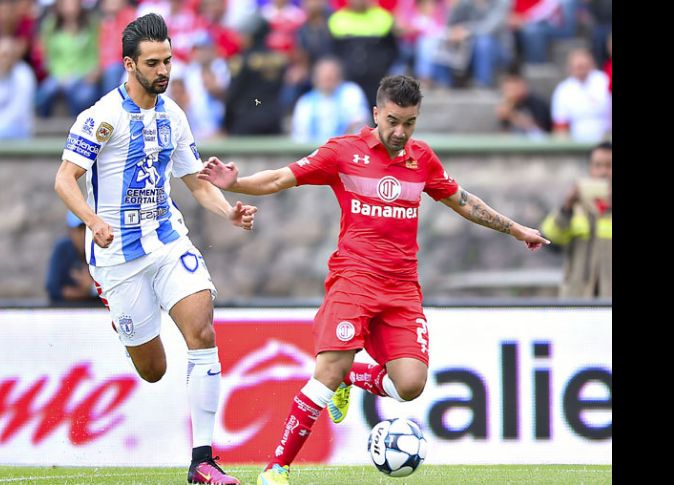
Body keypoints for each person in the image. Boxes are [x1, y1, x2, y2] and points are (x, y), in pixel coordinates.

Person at [197, 75, 550, 484]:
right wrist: (236, 183)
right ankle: (277, 469)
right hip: (355, 280)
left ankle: (353, 375)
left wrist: (517, 229)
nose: (401, 132)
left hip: (402, 290)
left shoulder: (423, 159)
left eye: (410, 123)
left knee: (410, 386)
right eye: (394, 121)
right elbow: (280, 177)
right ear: (376, 113)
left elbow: (464, 201)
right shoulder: (343, 152)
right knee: (327, 370)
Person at [53, 13, 255, 485]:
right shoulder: (103, 116)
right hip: (117, 257)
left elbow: (196, 183)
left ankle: (203, 460)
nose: (164, 70)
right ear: (128, 64)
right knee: (153, 369)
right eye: (153, 63)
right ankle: (120, 312)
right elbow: (64, 179)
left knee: (202, 330)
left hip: (166, 241)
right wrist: (92, 219)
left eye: (168, 60)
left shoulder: (174, 115)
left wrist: (228, 213)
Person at [541, 141, 611, 299]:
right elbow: (548, 240)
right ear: (589, 169)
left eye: (609, 165)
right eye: (598, 165)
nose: (604, 172)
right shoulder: (574, 207)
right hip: (577, 302)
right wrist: (567, 208)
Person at [45, 211, 100, 303]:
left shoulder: (100, 248)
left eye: (87, 229)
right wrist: (88, 291)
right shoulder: (62, 249)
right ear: (70, 232)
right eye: (80, 230)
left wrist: (91, 288)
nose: (84, 235)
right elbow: (53, 289)